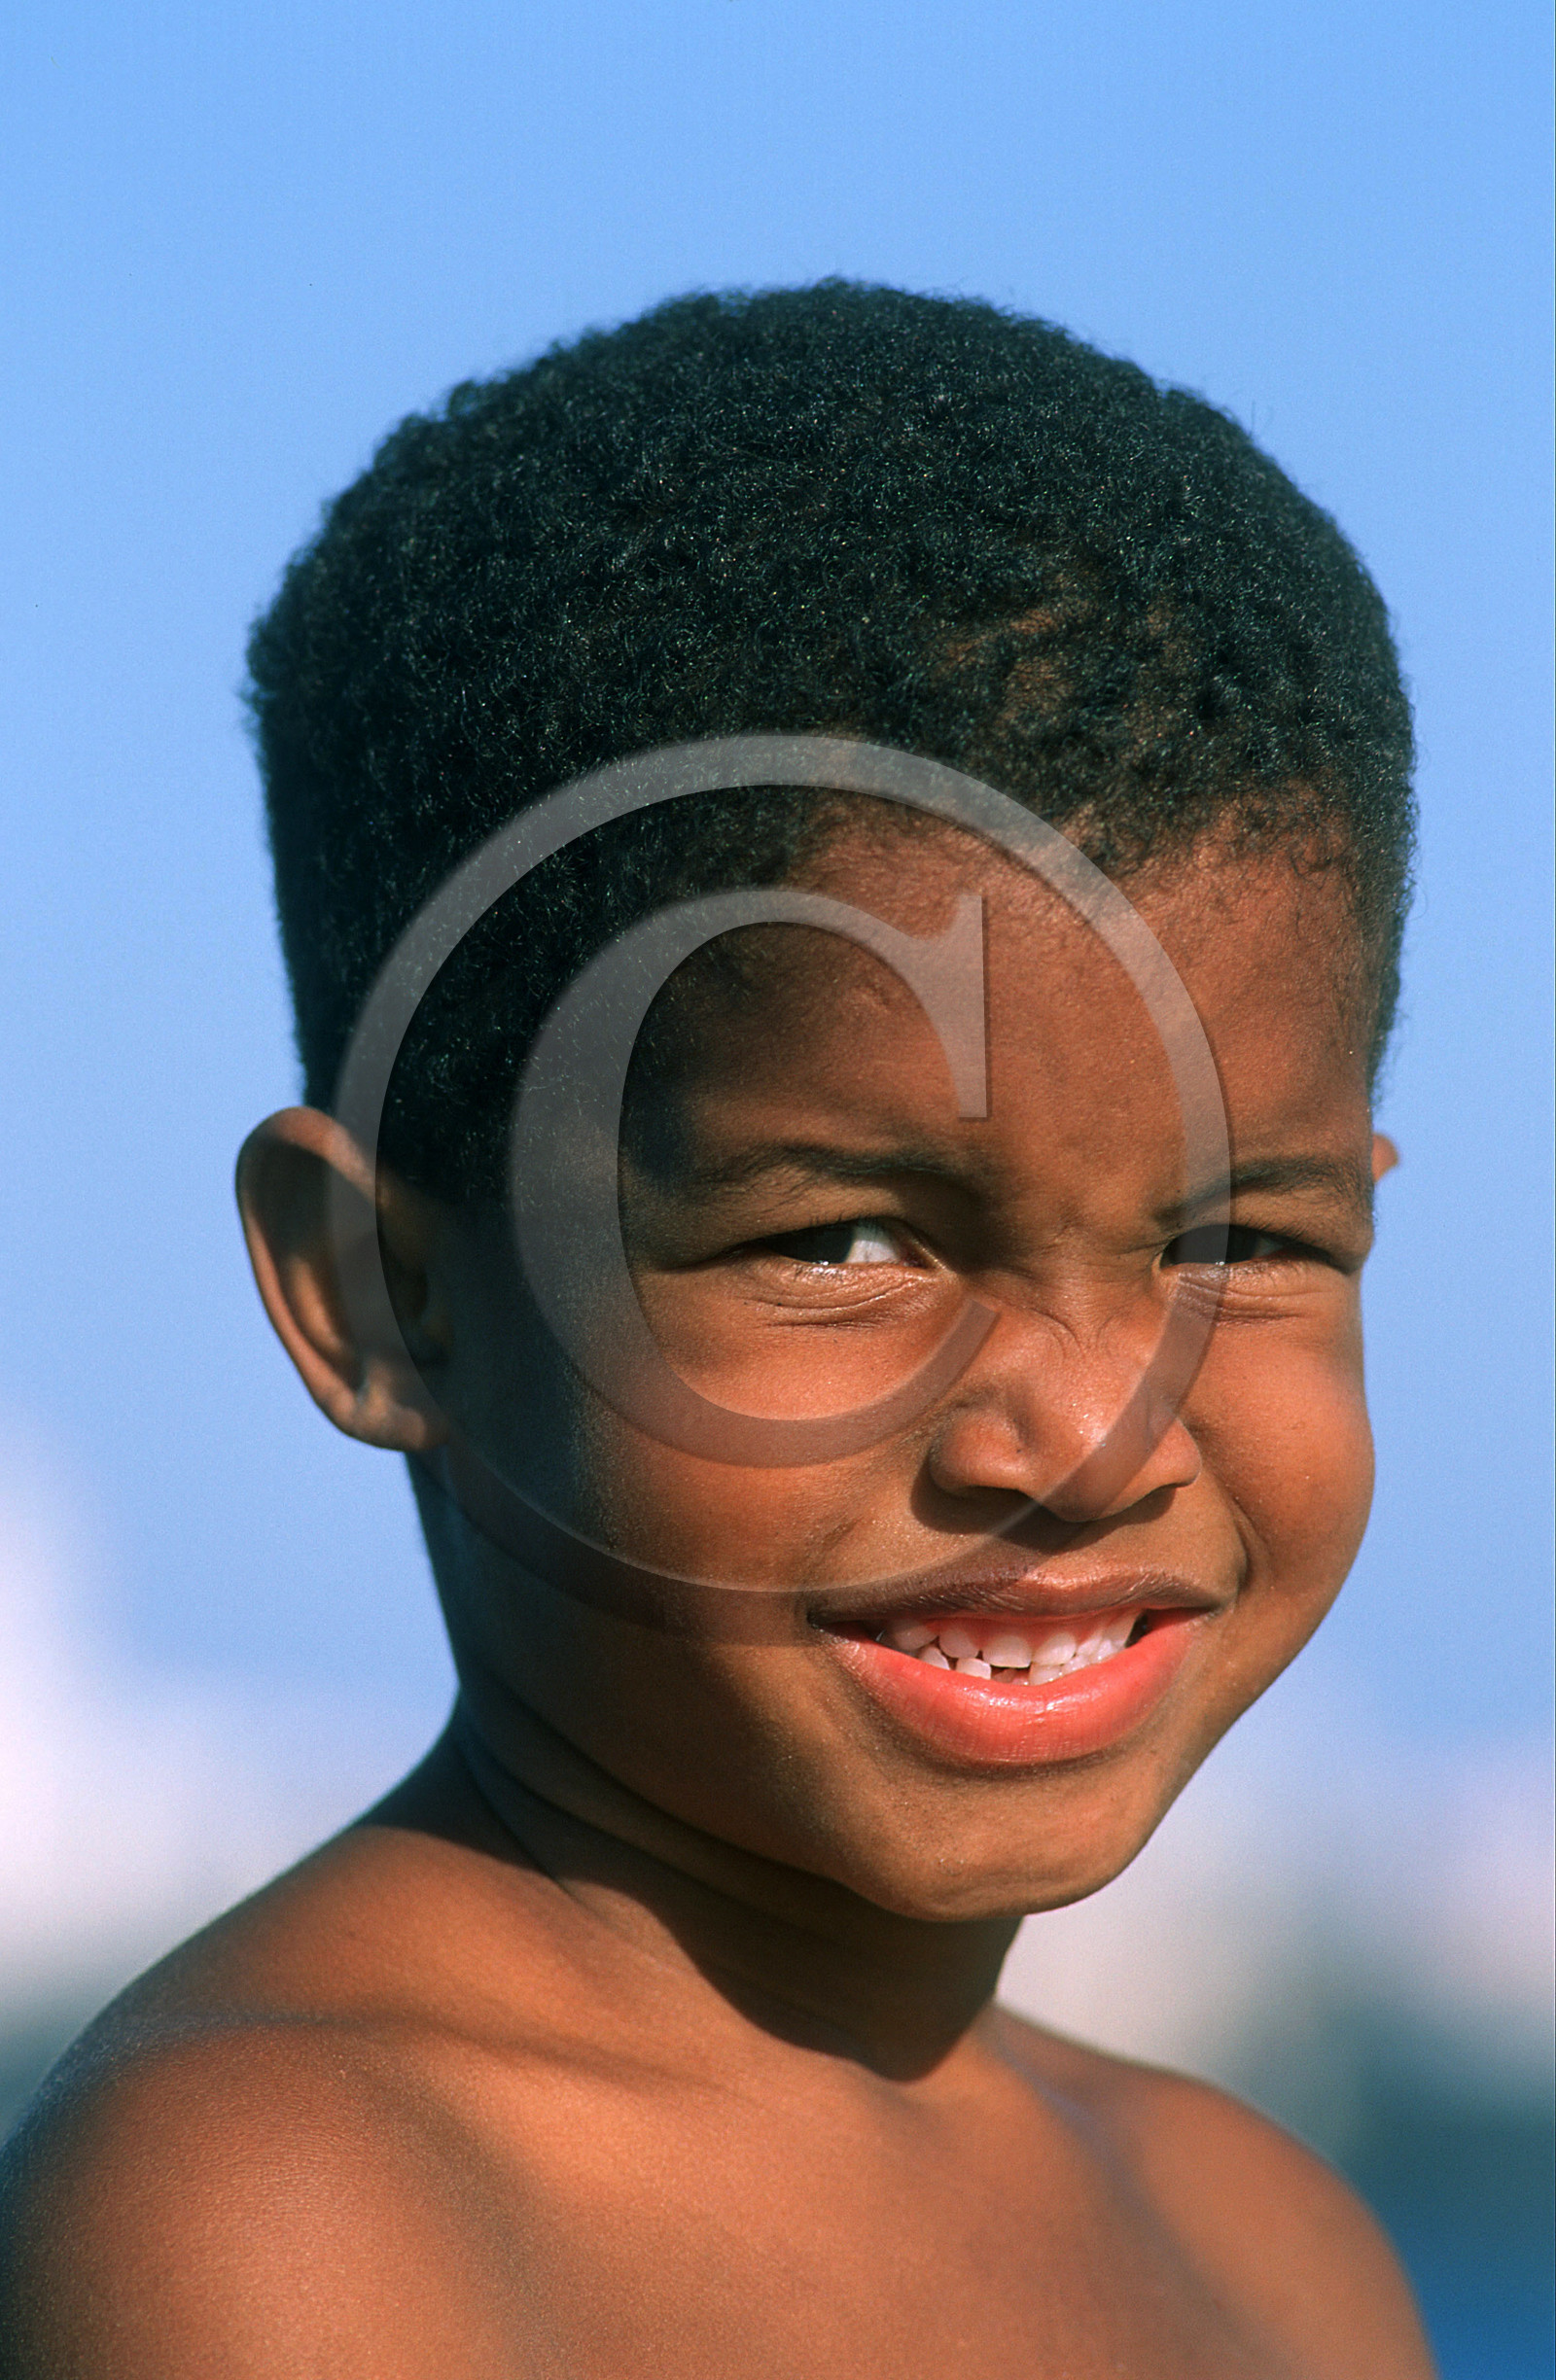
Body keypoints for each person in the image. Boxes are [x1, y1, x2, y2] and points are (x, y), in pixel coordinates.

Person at [0, 283, 1435, 2377]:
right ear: (380, 1293)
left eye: (1234, 1235)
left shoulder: (1266, 2248)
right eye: (848, 1240)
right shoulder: (288, 2211)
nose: (1092, 1430)